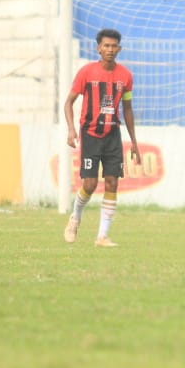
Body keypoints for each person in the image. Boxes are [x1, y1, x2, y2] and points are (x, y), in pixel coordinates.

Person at [63, 28, 142, 247]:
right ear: (99, 48)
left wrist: (134, 142)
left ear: (119, 49)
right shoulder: (86, 72)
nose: (110, 49)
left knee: (112, 182)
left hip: (113, 135)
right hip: (90, 134)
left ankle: (102, 236)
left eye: (114, 46)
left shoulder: (125, 76)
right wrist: (71, 130)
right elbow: (68, 102)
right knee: (89, 184)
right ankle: (75, 218)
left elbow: (127, 109)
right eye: (106, 45)